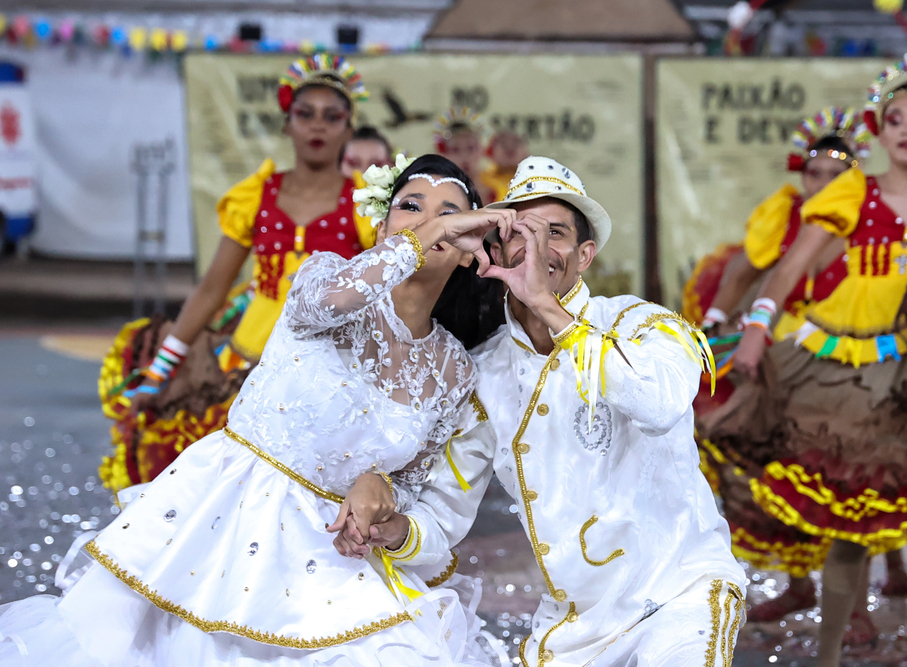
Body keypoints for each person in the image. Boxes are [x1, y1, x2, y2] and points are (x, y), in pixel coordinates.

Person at [0, 154, 513, 666]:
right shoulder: (324, 278)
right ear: (382, 229)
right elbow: (335, 300)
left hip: (333, 552)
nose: (432, 221)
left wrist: (379, 494)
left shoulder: (453, 370)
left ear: (469, 253)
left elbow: (413, 486)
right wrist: (428, 235)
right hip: (231, 521)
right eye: (411, 206)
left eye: (450, 212)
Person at [337, 156, 748, 667]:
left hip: (678, 594)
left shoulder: (642, 322)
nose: (534, 246)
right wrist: (393, 530)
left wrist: (546, 306)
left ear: (584, 255)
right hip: (571, 628)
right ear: (496, 247)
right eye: (519, 231)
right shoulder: (483, 373)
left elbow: (659, 404)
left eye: (554, 232)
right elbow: (445, 513)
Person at [727, 56, 907, 667]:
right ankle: (827, 656)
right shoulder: (855, 194)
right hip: (848, 374)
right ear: (878, 131)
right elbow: (789, 268)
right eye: (894, 118)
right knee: (849, 522)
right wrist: (754, 333)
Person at [98, 54, 378, 495]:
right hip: (246, 365)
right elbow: (211, 290)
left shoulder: (365, 203)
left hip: (330, 370)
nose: (317, 127)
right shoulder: (256, 196)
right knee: (235, 490)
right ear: (287, 125)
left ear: (349, 127)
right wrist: (159, 373)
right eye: (305, 115)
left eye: (332, 116)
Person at [688, 108, 907, 637]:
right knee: (791, 469)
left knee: (856, 472)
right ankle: (800, 584)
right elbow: (744, 268)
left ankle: (867, 598)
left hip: (855, 355)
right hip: (784, 353)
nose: (827, 184)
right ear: (800, 174)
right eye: (817, 174)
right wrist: (717, 321)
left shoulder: (873, 217)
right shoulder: (784, 216)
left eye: (839, 175)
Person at [434, 107, 497, 205]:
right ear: (443, 154)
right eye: (455, 149)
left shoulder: (499, 191)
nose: (464, 156)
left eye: (471, 148)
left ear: (481, 150)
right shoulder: (434, 193)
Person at [480, 130, 528, 201]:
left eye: (515, 143)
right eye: (503, 144)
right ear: (490, 151)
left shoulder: (535, 179)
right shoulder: (480, 181)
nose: (510, 148)